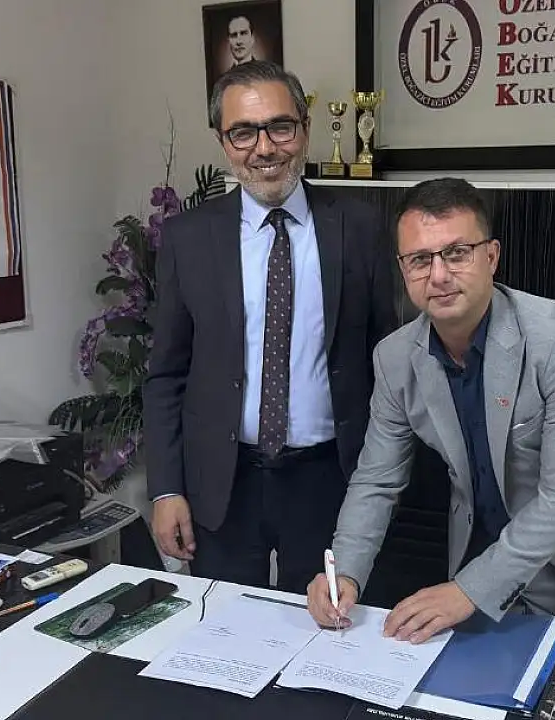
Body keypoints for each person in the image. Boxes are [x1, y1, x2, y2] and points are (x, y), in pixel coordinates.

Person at [306, 178, 555, 644]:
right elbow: (376, 481)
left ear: (491, 257)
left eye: (457, 253)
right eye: (420, 260)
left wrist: (468, 591)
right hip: (479, 552)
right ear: (403, 268)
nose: (438, 275)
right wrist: (345, 572)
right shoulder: (395, 358)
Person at [143, 60, 397, 593]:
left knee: (328, 624)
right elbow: (166, 374)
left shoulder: (360, 226)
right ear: (222, 140)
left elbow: (386, 358)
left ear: (304, 128)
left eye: (280, 127)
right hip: (223, 481)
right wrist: (166, 489)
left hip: (330, 479)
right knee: (223, 628)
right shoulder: (188, 238)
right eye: (243, 132)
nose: (264, 148)